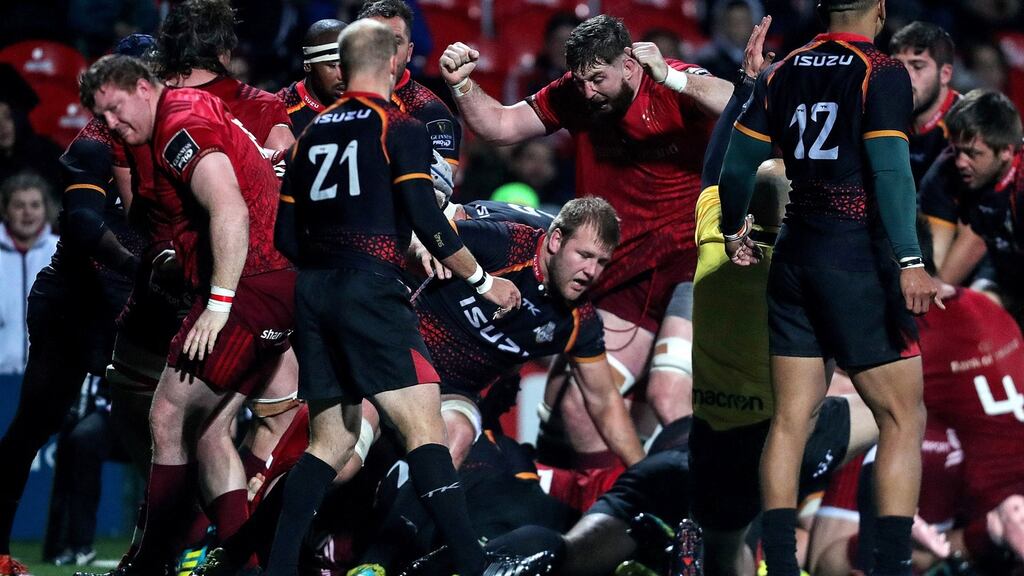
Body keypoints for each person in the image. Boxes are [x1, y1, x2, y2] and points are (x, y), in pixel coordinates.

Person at [439, 12, 733, 499]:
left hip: (690, 264)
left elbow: (737, 102)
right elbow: (502, 125)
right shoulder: (576, 95)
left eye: (600, 78)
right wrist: (463, 85)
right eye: (583, 80)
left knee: (667, 393)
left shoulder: (672, 82)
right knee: (571, 409)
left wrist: (675, 77)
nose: (590, 91)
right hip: (618, 273)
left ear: (631, 64)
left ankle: (704, 518)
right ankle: (623, 509)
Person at [266, 19, 523, 576]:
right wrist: (483, 281)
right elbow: (427, 219)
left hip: (313, 293)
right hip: (371, 290)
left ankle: (277, 567)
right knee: (425, 429)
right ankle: (473, 565)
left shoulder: (310, 130)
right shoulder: (398, 126)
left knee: (330, 440)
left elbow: (285, 235)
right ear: (390, 64)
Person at [716, 1, 939, 574]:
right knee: (902, 417)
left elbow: (736, 169)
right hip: (855, 259)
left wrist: (732, 229)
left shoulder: (782, 69)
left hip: (794, 255)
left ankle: (783, 566)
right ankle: (890, 566)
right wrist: (909, 260)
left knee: (792, 418)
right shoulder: (880, 70)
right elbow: (891, 171)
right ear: (881, 11)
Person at [78, 53, 296, 576]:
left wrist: (217, 308)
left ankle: (153, 561)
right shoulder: (176, 116)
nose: (109, 125)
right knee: (211, 431)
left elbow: (229, 208)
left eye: (113, 109)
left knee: (167, 414)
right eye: (100, 117)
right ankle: (242, 564)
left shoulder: (181, 125)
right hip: (270, 285)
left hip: (249, 289)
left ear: (142, 87)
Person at [0, 34, 154, 576]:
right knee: (35, 423)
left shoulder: (174, 136)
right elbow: (86, 226)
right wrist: (144, 267)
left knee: (166, 425)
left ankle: (158, 550)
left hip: (136, 301)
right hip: (76, 302)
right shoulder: (94, 142)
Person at [921, 90, 1024, 324]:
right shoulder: (945, 173)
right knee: (969, 309)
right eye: (957, 150)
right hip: (1002, 271)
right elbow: (936, 270)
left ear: (1007, 151)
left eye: (973, 153)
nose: (960, 162)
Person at [358, 0, 462, 172]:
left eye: (396, 41)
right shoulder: (331, 94)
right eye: (377, 39)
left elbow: (441, 183)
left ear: (409, 52)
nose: (387, 49)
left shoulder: (430, 111)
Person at [0, 172, 58, 374]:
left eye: (35, 205)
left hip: (48, 375)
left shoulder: (62, 252)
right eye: (19, 206)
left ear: (45, 209)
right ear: (6, 211)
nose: (27, 213)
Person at [888, 21, 959, 186]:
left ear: (945, 75)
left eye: (917, 66)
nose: (904, 76)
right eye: (897, 65)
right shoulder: (881, 115)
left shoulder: (970, 123)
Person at [276, 19, 348, 136]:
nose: (343, 75)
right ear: (308, 65)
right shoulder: (280, 110)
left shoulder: (368, 103)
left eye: (348, 65)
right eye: (332, 66)